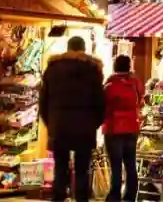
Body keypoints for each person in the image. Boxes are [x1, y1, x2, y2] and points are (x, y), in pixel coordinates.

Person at [40, 36, 105, 202]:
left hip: (59, 126)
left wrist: (51, 123)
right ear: (83, 49)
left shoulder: (53, 69)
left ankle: (58, 199)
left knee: (60, 170)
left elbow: (43, 101)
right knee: (82, 170)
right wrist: (94, 124)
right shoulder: (92, 69)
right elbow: (100, 102)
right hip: (84, 128)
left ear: (67, 49)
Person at [103, 55, 144, 202]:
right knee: (130, 164)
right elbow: (140, 101)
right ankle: (130, 196)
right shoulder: (135, 83)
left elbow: (104, 109)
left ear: (114, 66)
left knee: (115, 165)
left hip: (114, 129)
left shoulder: (109, 86)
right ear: (129, 66)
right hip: (132, 127)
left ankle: (114, 196)